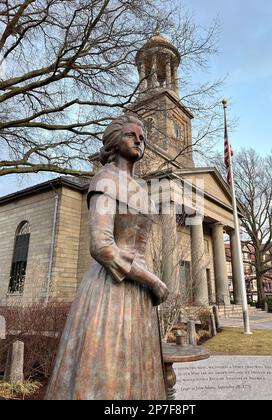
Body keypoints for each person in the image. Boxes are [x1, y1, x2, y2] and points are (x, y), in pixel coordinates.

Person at [45, 115, 169, 400]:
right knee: (107, 371)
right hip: (109, 290)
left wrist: (149, 282)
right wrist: (152, 280)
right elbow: (102, 246)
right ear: (114, 143)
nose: (140, 140)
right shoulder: (104, 180)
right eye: (131, 135)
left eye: (143, 137)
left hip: (140, 295)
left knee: (138, 373)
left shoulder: (142, 190)